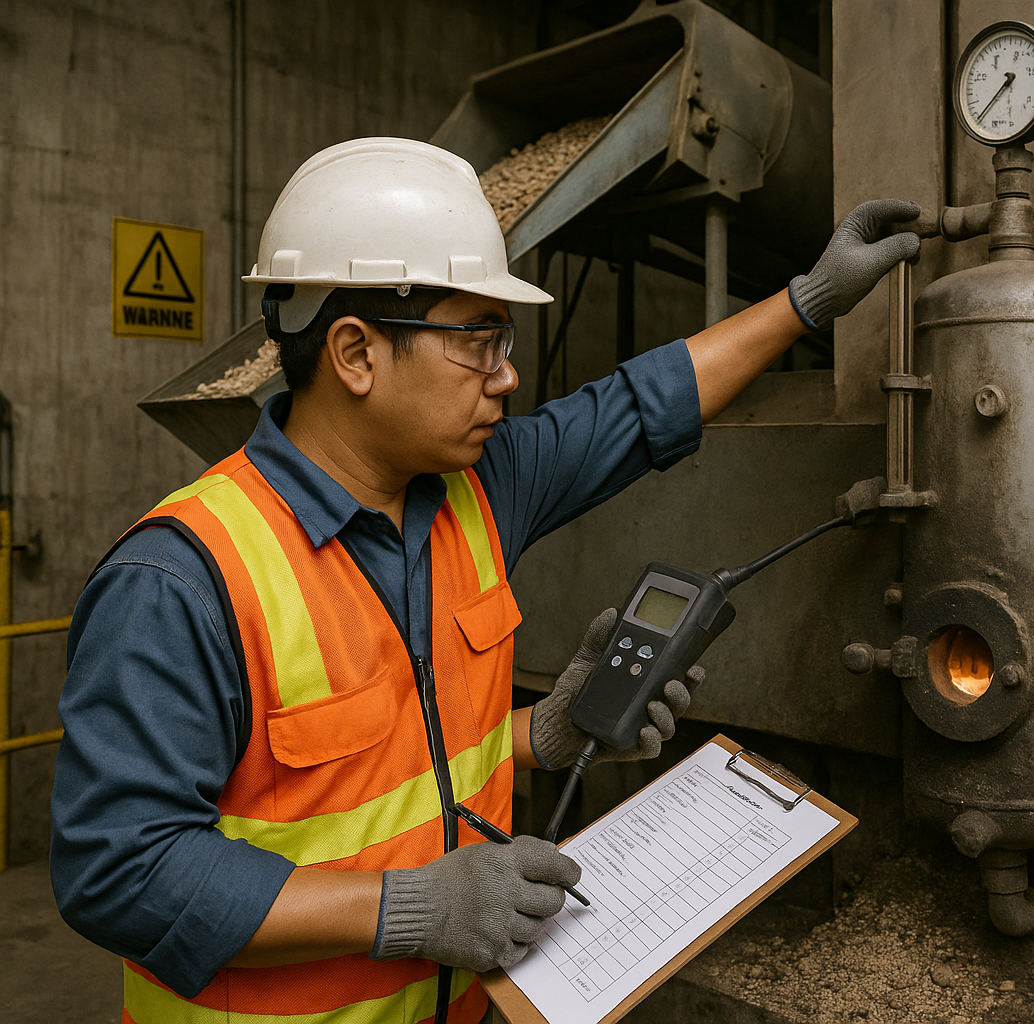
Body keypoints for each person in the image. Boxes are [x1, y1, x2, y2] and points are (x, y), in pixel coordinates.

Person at [49, 136, 918, 1024]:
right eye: (478, 340)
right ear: (355, 354)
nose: (507, 375)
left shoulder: (475, 491)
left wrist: (806, 303)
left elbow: (630, 411)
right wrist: (411, 908)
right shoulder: (182, 579)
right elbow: (119, 869)